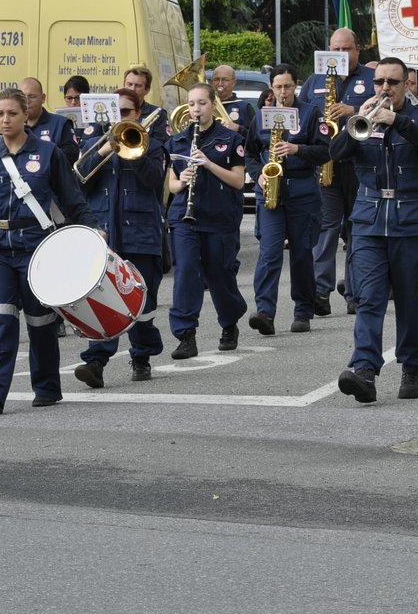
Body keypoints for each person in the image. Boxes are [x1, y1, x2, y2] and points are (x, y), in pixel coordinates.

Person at [0, 88, 97, 414]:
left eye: (11, 114)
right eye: (0, 114)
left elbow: (72, 199)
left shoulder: (49, 153)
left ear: (25, 116)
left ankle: (47, 386)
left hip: (37, 246)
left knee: (41, 321)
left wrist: (94, 232)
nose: (4, 120)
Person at [330, 57, 418, 403]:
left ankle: (411, 368)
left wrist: (399, 121)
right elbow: (335, 154)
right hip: (368, 221)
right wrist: (354, 120)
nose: (384, 88)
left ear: (407, 84)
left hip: (411, 220)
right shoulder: (362, 115)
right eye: (380, 81)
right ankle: (364, 369)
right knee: (369, 297)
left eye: (392, 82)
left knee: (412, 300)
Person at [73, 87, 168, 387]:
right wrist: (103, 150)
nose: (119, 118)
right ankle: (96, 362)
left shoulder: (150, 143)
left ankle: (142, 354)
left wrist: (132, 151)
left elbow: (155, 181)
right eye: (116, 113)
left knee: (142, 303)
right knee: (102, 301)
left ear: (138, 114)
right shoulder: (92, 144)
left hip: (141, 232)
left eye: (125, 112)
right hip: (104, 233)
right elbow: (77, 183)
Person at [166, 82, 248, 357]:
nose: (196, 109)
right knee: (187, 271)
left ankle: (229, 322)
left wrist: (209, 164)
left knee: (220, 275)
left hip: (219, 216)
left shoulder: (231, 139)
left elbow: (238, 181)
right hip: (184, 217)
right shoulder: (178, 141)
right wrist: (181, 181)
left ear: (213, 105)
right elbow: (172, 184)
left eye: (201, 103)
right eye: (191, 104)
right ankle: (186, 335)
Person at [245, 65, 328, 336]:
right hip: (270, 192)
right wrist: (258, 175)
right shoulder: (260, 117)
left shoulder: (310, 113)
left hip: (302, 192)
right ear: (272, 87)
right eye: (278, 87)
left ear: (296, 87)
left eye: (288, 87)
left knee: (302, 253)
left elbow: (325, 151)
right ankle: (265, 311)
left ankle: (303, 310)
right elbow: (249, 153)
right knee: (269, 253)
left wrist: (297, 149)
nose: (283, 92)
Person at [302, 28, 378, 316]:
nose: (340, 55)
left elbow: (385, 110)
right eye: (335, 49)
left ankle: (355, 292)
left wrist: (353, 109)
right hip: (326, 164)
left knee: (356, 229)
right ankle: (320, 292)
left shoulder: (372, 79)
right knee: (326, 229)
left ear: (358, 49)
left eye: (346, 49)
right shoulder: (315, 80)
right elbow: (304, 115)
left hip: (360, 164)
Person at [19, 76, 80, 163]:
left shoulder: (61, 123)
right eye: (22, 97)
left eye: (31, 97)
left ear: (43, 98)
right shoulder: (16, 125)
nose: (27, 101)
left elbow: (72, 156)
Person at [211, 63, 258, 135]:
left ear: (234, 82)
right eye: (216, 79)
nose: (220, 84)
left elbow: (255, 136)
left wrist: (238, 128)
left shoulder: (244, 107)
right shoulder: (207, 106)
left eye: (225, 80)